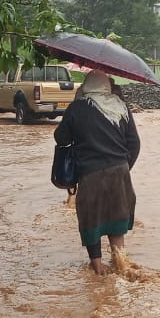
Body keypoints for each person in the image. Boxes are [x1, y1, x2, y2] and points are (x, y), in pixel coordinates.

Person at [54, 71, 140, 275]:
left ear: (86, 87)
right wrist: (124, 167)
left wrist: (76, 103)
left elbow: (61, 138)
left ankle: (98, 268)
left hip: (91, 173)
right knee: (116, 218)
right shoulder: (121, 106)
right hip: (120, 171)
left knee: (91, 219)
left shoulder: (78, 107)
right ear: (107, 86)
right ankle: (120, 263)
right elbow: (134, 143)